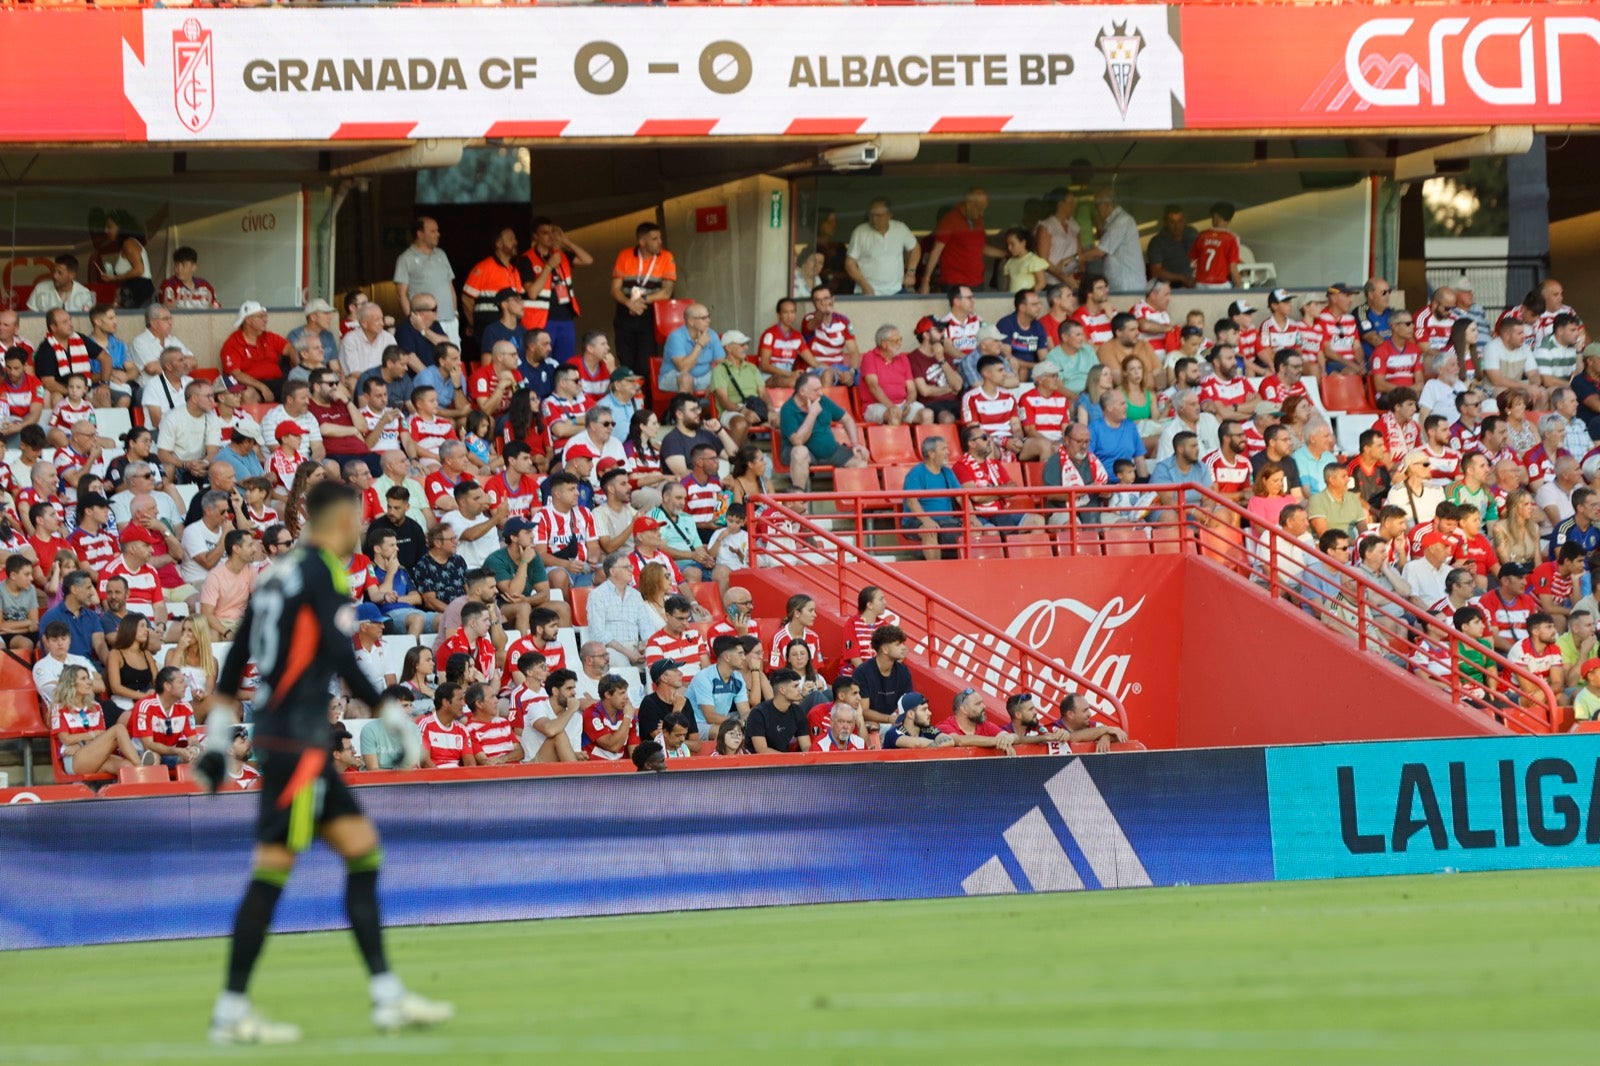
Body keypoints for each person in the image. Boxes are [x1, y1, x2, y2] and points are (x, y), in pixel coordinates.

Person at [199, 479, 453, 1042]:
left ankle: (387, 997)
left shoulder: (277, 576)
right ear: (338, 520)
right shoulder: (324, 572)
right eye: (357, 519)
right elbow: (342, 652)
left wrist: (219, 742)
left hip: (295, 739)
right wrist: (393, 714)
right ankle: (230, 1010)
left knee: (362, 852)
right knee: (271, 873)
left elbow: (236, 658)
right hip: (296, 742)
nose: (360, 529)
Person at [778, 373, 870, 490]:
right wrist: (812, 414)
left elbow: (846, 418)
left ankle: (860, 505)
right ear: (802, 391)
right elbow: (798, 441)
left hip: (831, 452)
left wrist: (856, 444)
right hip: (802, 453)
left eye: (820, 388)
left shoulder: (822, 400)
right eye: (816, 390)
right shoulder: (788, 409)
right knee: (800, 452)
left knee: (860, 459)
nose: (821, 393)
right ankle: (799, 502)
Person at [50, 662, 142, 777]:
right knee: (119, 729)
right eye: (83, 679)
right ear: (71, 683)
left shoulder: (96, 707)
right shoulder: (59, 708)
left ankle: (139, 779)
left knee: (127, 767)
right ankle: (142, 766)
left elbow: (101, 735)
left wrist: (80, 743)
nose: (89, 682)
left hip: (95, 755)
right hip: (74, 760)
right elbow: (66, 739)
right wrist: (92, 735)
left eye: (88, 678)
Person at [610, 221, 677, 375]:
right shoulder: (625, 255)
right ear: (641, 241)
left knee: (646, 364)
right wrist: (629, 303)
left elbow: (666, 293)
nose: (660, 242)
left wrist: (641, 301)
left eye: (660, 238)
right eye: (654, 239)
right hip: (625, 312)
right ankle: (629, 398)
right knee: (626, 361)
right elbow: (614, 290)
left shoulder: (666, 257)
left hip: (650, 313)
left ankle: (645, 398)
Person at [918, 187, 1003, 293]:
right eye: (979, 209)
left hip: (978, 282)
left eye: (984, 209)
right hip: (955, 283)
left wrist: (1006, 254)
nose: (982, 213)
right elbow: (936, 250)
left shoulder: (978, 220)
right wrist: (926, 281)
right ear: (968, 204)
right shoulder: (950, 220)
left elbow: (980, 247)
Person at [845, 199, 920, 296]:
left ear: (889, 215)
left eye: (879, 216)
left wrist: (911, 273)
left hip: (897, 290)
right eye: (871, 215)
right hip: (867, 292)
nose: (874, 219)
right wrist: (864, 285)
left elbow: (915, 248)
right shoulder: (860, 232)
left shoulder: (900, 228)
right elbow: (849, 263)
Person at [683, 635, 750, 739]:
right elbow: (710, 717)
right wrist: (737, 724)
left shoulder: (738, 677)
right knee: (723, 732)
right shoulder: (704, 677)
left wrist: (748, 722)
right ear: (727, 657)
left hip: (723, 721)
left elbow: (745, 711)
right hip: (697, 725)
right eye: (740, 654)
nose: (744, 658)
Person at [1078, 188, 1144, 292]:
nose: (1095, 210)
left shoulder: (1122, 221)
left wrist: (1076, 258)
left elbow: (1100, 251)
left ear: (1106, 205)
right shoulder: (1111, 222)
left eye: (1096, 206)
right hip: (1119, 284)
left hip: (1128, 286)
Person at [745, 669, 811, 754]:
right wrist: (789, 761)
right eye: (795, 686)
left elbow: (806, 745)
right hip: (757, 764)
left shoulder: (798, 711)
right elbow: (762, 750)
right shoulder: (758, 713)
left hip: (785, 761)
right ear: (782, 690)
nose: (799, 690)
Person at [938, 688, 1017, 753]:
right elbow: (959, 740)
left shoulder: (985, 725)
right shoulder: (944, 726)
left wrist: (1012, 737)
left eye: (982, 703)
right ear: (964, 709)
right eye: (978, 704)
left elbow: (1006, 735)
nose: (984, 706)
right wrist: (998, 741)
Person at [27, 253, 95, 313]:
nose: (55, 276)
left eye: (60, 273)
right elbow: (30, 315)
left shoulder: (84, 293)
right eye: (54, 271)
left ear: (72, 275)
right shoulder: (40, 288)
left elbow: (86, 318)